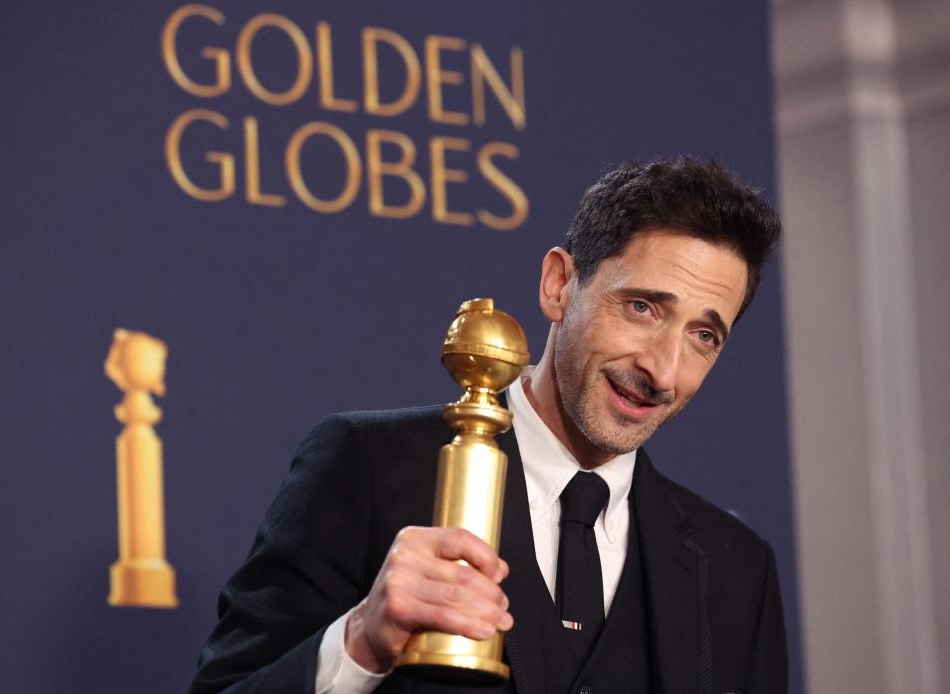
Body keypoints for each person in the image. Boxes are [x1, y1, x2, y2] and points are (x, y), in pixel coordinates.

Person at [188, 157, 788, 694]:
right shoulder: (368, 466)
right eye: (642, 308)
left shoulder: (738, 567)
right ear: (559, 285)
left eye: (703, 336)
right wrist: (361, 641)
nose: (663, 369)